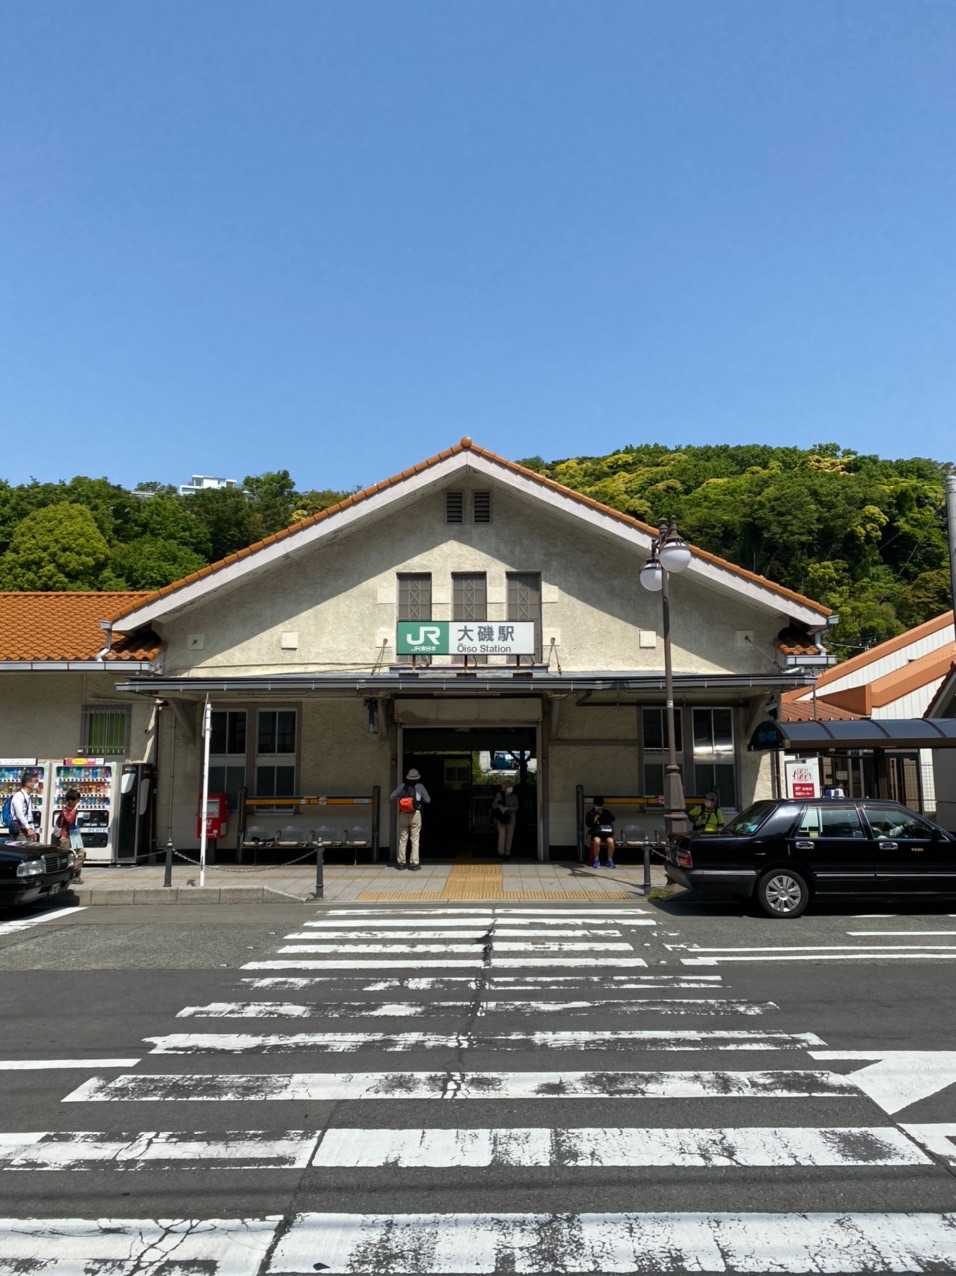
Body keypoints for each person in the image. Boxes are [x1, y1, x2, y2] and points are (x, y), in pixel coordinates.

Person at [390, 768, 431, 870]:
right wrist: (419, 800)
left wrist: (402, 800)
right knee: (415, 839)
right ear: (417, 778)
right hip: (415, 815)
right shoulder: (420, 786)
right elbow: (428, 800)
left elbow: (392, 796)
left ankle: (401, 863)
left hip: (403, 814)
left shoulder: (402, 786)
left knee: (403, 839)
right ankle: (414, 863)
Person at [52, 788, 85, 879]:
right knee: (65, 857)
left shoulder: (74, 809)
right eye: (76, 800)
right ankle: (66, 876)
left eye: (78, 799)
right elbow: (69, 819)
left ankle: (75, 872)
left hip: (74, 834)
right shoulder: (65, 810)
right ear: (70, 800)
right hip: (64, 836)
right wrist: (75, 809)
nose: (78, 802)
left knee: (82, 853)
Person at [8, 770, 40, 844]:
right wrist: (28, 828)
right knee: (21, 850)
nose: (36, 784)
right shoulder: (18, 796)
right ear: (27, 783)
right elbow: (20, 815)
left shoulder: (27, 796)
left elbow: (29, 815)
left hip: (27, 830)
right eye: (34, 781)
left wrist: (33, 829)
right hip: (20, 831)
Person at [585, 797, 616, 869]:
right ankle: (596, 860)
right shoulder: (591, 813)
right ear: (594, 805)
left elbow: (613, 819)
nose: (599, 806)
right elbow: (588, 824)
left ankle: (610, 860)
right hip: (597, 833)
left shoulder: (606, 812)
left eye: (600, 805)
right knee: (597, 841)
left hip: (606, 833)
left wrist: (604, 815)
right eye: (597, 805)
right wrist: (595, 817)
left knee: (611, 841)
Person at [492, 783, 519, 858]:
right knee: (502, 836)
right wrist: (500, 807)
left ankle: (507, 853)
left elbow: (516, 807)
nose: (511, 788)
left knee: (509, 837)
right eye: (509, 787)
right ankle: (501, 853)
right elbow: (494, 805)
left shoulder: (514, 796)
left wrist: (508, 808)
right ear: (505, 787)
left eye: (511, 787)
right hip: (501, 819)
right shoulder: (499, 795)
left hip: (511, 819)